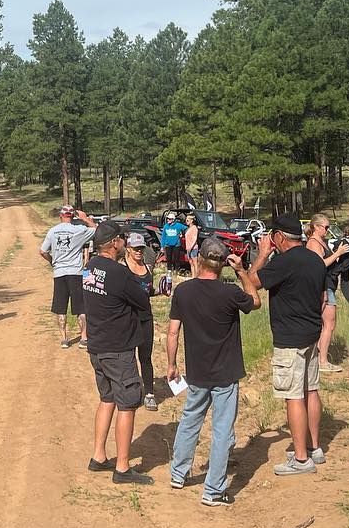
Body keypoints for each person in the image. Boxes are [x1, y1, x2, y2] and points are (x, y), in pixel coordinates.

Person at [167, 237, 262, 506]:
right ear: (222, 265)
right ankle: (213, 490)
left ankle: (178, 473)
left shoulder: (183, 292)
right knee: (222, 431)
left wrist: (172, 364)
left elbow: (173, 331)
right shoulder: (230, 293)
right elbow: (255, 302)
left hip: (197, 370)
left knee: (189, 421)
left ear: (198, 260)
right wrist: (242, 271)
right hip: (225, 371)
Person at [250, 212, 328, 475]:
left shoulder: (283, 262)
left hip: (290, 338)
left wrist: (261, 255)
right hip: (311, 334)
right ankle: (315, 447)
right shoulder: (315, 260)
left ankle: (302, 459)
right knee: (312, 390)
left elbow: (251, 284)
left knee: (293, 395)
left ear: (279, 237)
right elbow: (323, 298)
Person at [82, 220, 154, 485]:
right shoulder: (119, 273)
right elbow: (142, 300)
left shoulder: (88, 268)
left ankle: (98, 456)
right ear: (113, 243)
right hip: (118, 348)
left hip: (97, 346)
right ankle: (122, 467)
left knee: (107, 399)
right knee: (127, 404)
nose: (124, 242)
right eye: (122, 238)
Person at [41, 205, 97, 349]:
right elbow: (98, 230)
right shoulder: (79, 230)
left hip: (59, 273)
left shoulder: (52, 231)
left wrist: (52, 261)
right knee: (81, 307)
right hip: (76, 272)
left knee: (60, 308)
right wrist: (85, 219)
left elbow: (42, 251)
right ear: (72, 216)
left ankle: (64, 339)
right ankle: (84, 338)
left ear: (60, 216)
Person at [306, 215, 349, 374]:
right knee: (329, 323)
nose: (327, 230)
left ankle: (318, 357)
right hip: (323, 286)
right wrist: (337, 253)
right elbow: (319, 265)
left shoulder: (320, 242)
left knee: (325, 324)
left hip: (327, 285)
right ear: (316, 227)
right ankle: (322, 361)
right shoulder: (313, 243)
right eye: (325, 227)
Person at [124, 230, 158, 410]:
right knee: (128, 357)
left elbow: (148, 291)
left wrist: (160, 290)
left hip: (146, 317)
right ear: (128, 248)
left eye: (141, 248)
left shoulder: (147, 266)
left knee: (145, 356)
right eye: (135, 248)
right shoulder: (122, 267)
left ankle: (150, 393)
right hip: (128, 318)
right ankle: (130, 392)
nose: (139, 251)